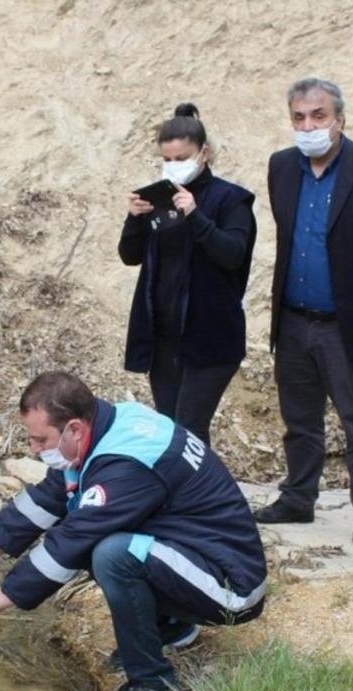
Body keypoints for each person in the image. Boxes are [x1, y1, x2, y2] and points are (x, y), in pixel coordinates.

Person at [0, 371, 267, 691]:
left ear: (74, 429)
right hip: (193, 557)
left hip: (231, 588)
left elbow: (68, 544)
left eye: (40, 440)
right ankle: (172, 626)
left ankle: (153, 685)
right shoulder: (105, 428)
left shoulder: (125, 463)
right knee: (99, 537)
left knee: (111, 553)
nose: (35, 449)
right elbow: (41, 504)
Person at [253, 78, 353, 547]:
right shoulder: (282, 167)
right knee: (299, 420)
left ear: (339, 119)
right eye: (299, 117)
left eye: (318, 116)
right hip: (295, 318)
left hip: (349, 322)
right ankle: (298, 497)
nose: (309, 125)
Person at [119, 103, 258, 448]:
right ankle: (186, 498)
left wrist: (195, 215)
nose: (173, 166)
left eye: (182, 158)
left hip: (210, 337)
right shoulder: (160, 198)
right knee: (170, 430)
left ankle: (204, 499)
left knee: (190, 427)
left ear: (204, 153)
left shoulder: (231, 200)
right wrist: (134, 219)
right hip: (163, 338)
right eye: (167, 159)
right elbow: (130, 256)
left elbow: (232, 254)